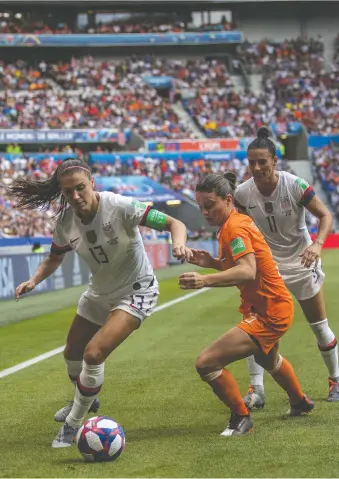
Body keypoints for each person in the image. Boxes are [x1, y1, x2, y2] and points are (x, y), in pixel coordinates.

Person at [10, 158, 192, 448]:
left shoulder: (120, 206)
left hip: (136, 291)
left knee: (93, 354)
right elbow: (54, 257)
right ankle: (86, 398)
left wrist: (178, 243)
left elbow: (174, 223)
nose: (76, 196)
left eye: (81, 188)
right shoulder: (65, 222)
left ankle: (73, 425)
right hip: (98, 293)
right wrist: (34, 280)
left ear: (92, 183)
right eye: (68, 191)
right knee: (72, 354)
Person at [179, 171, 314, 437]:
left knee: (207, 363)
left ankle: (241, 417)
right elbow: (244, 266)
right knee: (268, 358)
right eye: (200, 207)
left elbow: (247, 271)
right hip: (270, 306)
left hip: (269, 312)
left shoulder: (235, 228)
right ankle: (299, 402)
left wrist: (204, 280)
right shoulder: (233, 222)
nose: (205, 212)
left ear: (228, 200)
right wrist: (213, 263)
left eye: (210, 205)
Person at [234, 127, 338, 408]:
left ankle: (335, 379)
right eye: (251, 162)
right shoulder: (242, 193)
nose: (256, 168)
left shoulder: (295, 185)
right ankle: (256, 390)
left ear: (274, 161)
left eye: (262, 162)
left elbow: (325, 215)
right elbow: (239, 227)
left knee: (319, 326)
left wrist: (317, 245)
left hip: (303, 261)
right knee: (253, 327)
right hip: (268, 266)